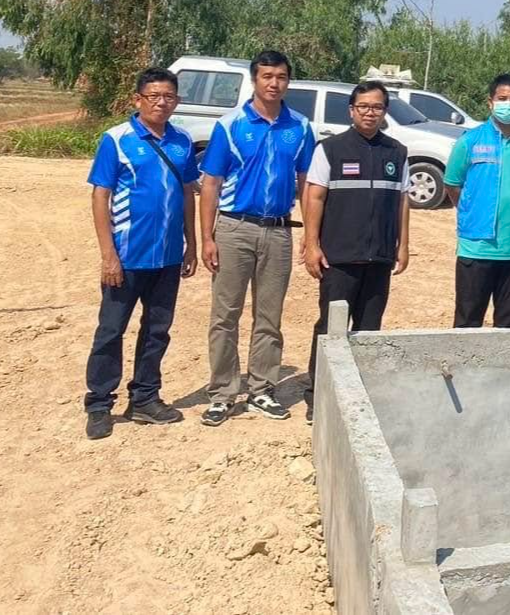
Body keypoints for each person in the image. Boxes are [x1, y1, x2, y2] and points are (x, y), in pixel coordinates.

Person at [198, 50, 316, 425]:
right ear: (254, 79)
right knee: (225, 315)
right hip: (234, 229)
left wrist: (310, 236)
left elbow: (306, 185)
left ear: (288, 81)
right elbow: (211, 184)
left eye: (281, 76)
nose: (274, 83)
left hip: (278, 231)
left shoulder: (299, 127)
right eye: (267, 76)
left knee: (270, 316)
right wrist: (207, 237)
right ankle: (222, 392)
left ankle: (263, 388)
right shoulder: (230, 125)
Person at [82, 68, 200, 440]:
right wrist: (108, 255)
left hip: (166, 257)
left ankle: (145, 398)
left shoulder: (182, 141)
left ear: (177, 101)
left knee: (157, 330)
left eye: (168, 97)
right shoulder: (116, 140)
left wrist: (191, 244)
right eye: (153, 96)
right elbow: (100, 196)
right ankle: (100, 404)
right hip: (127, 256)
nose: (161, 103)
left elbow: (186, 194)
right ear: (138, 100)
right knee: (111, 330)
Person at [300, 81, 410, 424]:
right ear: (351, 110)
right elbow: (314, 197)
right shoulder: (330, 149)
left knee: (369, 328)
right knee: (330, 329)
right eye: (363, 106)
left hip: (378, 258)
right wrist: (312, 244)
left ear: (385, 111)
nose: (369, 112)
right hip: (339, 258)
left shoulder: (397, 151)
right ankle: (318, 397)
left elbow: (404, 201)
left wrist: (403, 245)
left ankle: (361, 394)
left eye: (376, 107)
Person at [443, 73, 510, 328]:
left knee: (509, 324)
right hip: (476, 247)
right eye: (502, 98)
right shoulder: (470, 141)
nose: (508, 104)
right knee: (468, 321)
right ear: (490, 102)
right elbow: (452, 184)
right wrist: (471, 210)